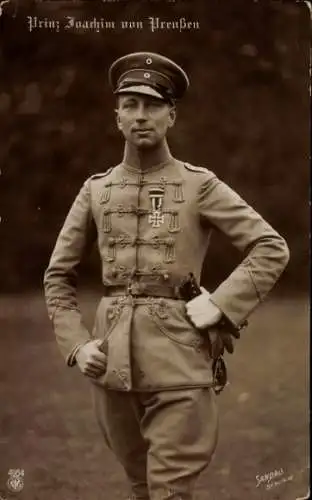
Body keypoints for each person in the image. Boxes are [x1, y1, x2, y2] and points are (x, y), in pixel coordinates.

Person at [43, 52, 290, 500]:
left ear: (171, 115)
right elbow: (58, 275)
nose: (141, 116)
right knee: (142, 487)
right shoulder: (96, 190)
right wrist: (76, 346)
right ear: (116, 115)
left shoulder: (200, 185)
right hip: (110, 363)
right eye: (130, 104)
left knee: (169, 490)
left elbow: (270, 246)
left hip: (181, 359)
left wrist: (220, 305)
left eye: (153, 105)